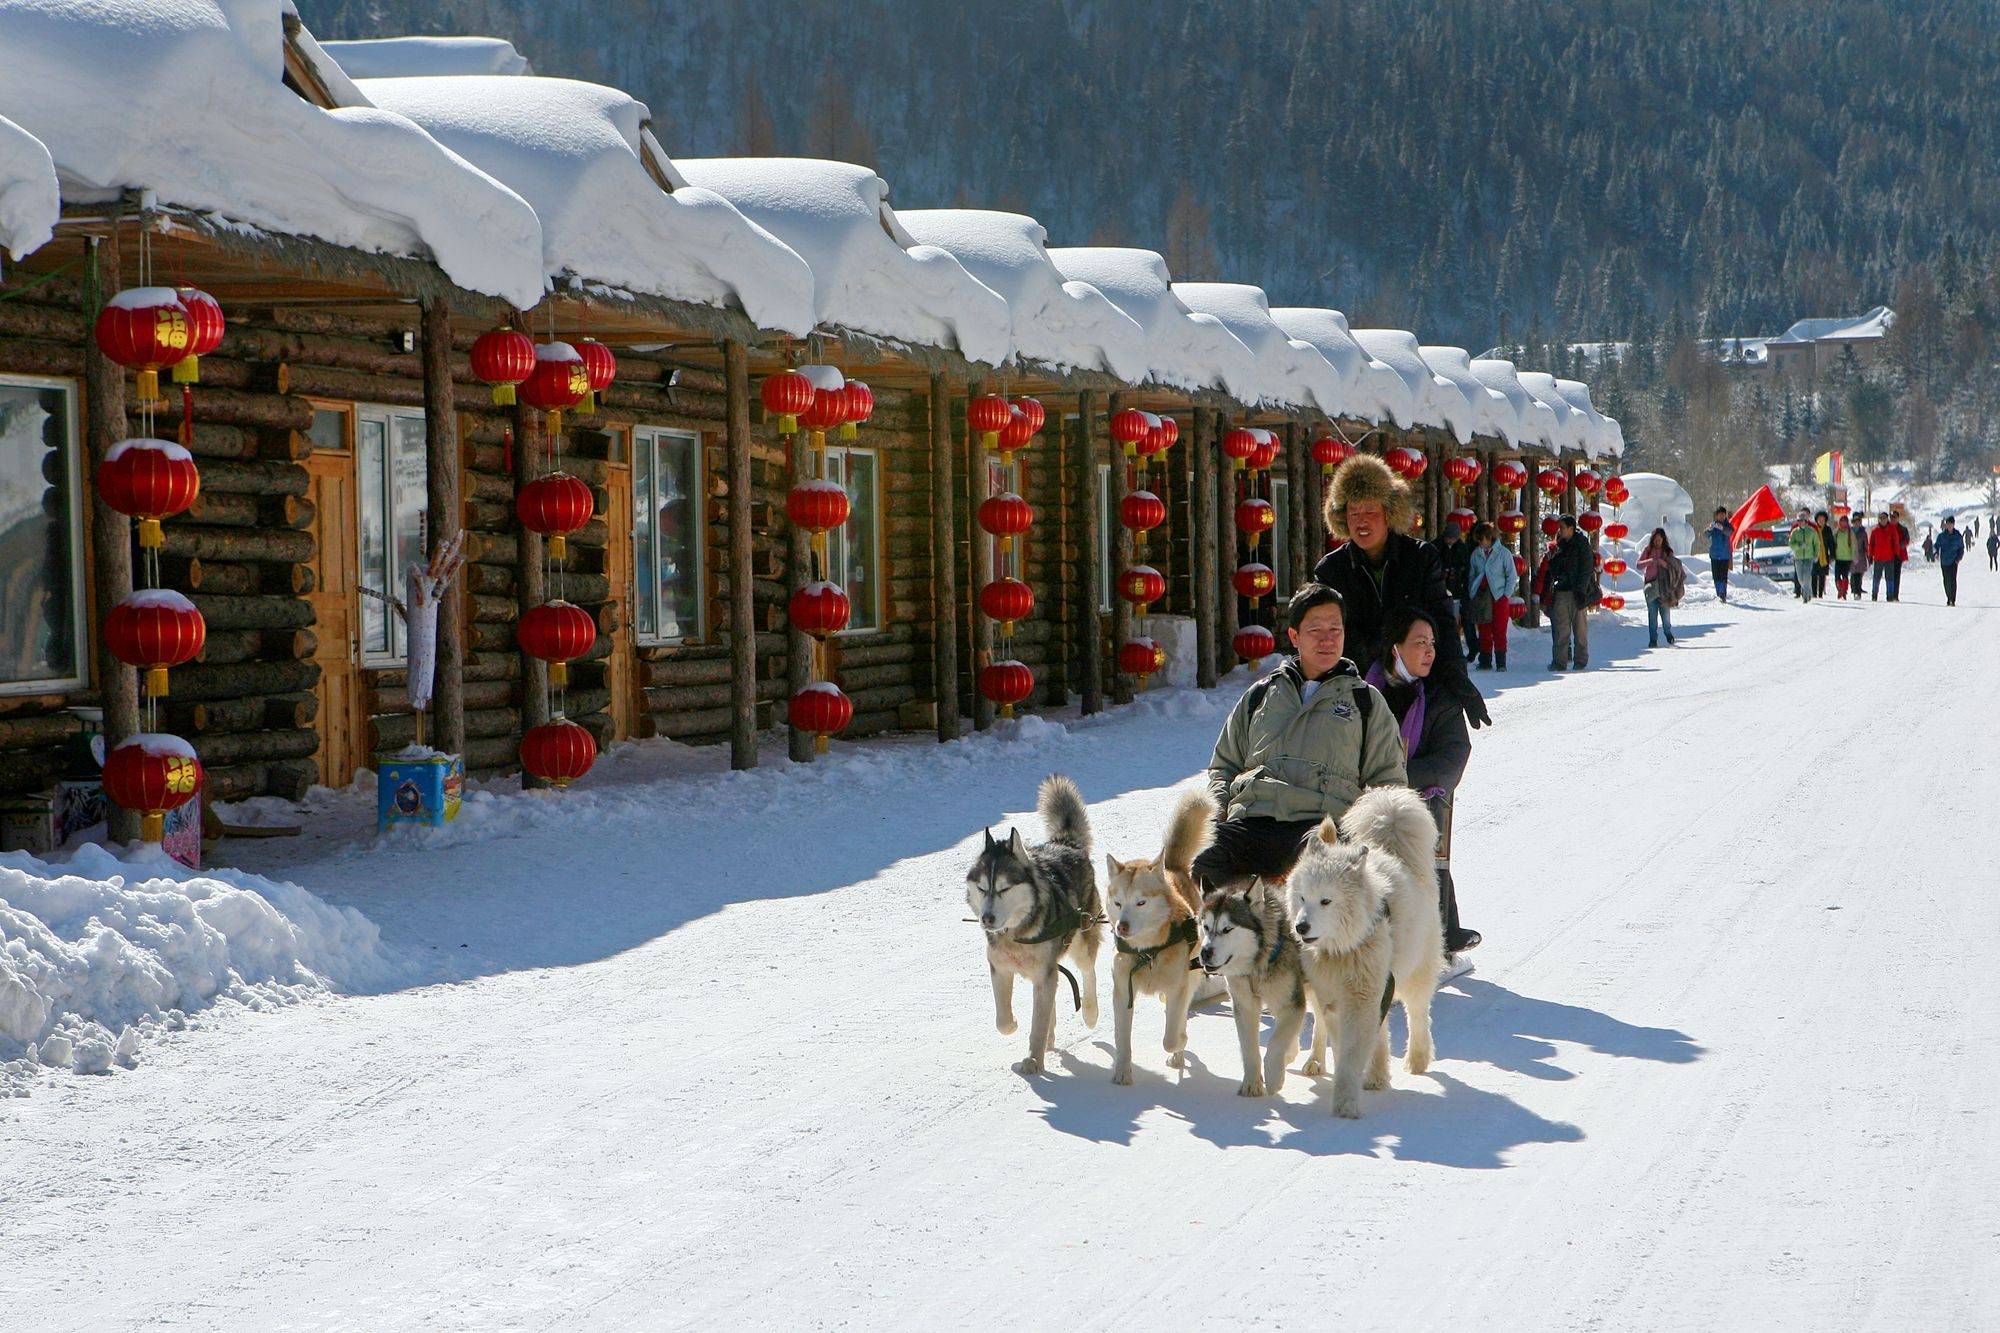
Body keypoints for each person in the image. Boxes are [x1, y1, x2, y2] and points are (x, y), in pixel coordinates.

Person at [1192, 582, 1408, 891]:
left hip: (1320, 824)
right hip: (1253, 818)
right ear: (1294, 636)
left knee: (1317, 875)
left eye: (1335, 629)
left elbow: (1388, 780)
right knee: (1194, 864)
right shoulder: (1261, 695)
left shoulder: (1365, 702)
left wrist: (1366, 831)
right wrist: (1219, 811)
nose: (1327, 640)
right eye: (1316, 631)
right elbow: (1224, 765)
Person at [1311, 454, 1491, 728]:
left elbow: (1441, 622)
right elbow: (1332, 636)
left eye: (1370, 511)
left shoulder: (1421, 558)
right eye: (1353, 512)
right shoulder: (1331, 570)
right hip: (1358, 697)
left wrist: (1457, 679)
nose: (1361, 521)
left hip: (1423, 685)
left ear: (1389, 512)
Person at [1364, 608, 1480, 961]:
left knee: (1417, 827)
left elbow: (1452, 757)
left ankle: (1441, 930)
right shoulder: (1363, 694)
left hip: (1416, 796)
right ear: (1395, 647)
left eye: (1432, 643)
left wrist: (1396, 781)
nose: (1429, 650)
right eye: (1419, 643)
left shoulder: (1440, 699)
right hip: (1361, 794)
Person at [1543, 513, 1597, 670]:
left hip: (1577, 592)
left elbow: (1586, 569)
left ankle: (1580, 660)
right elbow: (1553, 569)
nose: (1560, 530)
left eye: (1562, 527)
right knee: (1561, 629)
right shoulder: (1559, 546)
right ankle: (1559, 661)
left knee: (1579, 629)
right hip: (1561, 591)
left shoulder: (1581, 544)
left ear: (1571, 528)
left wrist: (1581, 590)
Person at [1465, 521, 1519, 671]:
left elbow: (1511, 576)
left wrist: (1505, 595)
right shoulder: (1476, 554)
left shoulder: (1503, 553)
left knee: (1500, 630)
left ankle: (1501, 662)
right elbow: (1472, 575)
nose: (1480, 543)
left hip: (1498, 596)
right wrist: (1472, 590)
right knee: (1484, 629)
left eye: (1481, 539)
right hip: (1482, 596)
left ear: (1488, 538)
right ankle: (1485, 660)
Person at [1437, 518, 1478, 660]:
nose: (1450, 541)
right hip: (1443, 589)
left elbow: (1467, 571)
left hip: (1460, 589)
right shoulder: (1437, 546)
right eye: (1448, 538)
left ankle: (1473, 648)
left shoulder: (1462, 548)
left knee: (1466, 620)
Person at [1638, 527, 1684, 647]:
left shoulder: (1668, 551)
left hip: (1665, 587)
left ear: (1663, 540)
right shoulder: (1647, 550)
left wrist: (1665, 564)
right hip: (1650, 586)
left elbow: (1675, 567)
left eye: (1659, 540)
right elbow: (1638, 565)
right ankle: (1653, 639)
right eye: (1655, 540)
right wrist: (1649, 561)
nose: (1657, 542)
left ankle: (1668, 634)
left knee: (1665, 613)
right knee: (1652, 614)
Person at [1787, 508, 1823, 603]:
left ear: (1806, 521)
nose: (1800, 522)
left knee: (1807, 575)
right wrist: (1798, 546)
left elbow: (1817, 544)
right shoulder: (1795, 532)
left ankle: (1806, 595)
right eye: (1799, 521)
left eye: (1802, 520)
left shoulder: (1812, 531)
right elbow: (1790, 544)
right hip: (1798, 557)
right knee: (1800, 578)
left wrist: (1816, 555)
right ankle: (1807, 588)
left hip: (1809, 557)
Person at [1868, 510, 1902, 601]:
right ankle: (1874, 595)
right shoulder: (1875, 531)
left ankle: (1890, 596)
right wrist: (1870, 555)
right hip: (1878, 558)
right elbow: (1871, 544)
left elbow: (1896, 543)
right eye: (1881, 518)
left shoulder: (1892, 530)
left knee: (1889, 578)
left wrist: (1896, 554)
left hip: (1889, 558)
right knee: (1876, 578)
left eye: (1884, 518)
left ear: (1887, 519)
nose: (1882, 520)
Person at [1705, 506, 1734, 603]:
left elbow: (1730, 532)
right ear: (1716, 516)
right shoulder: (1713, 525)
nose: (1721, 517)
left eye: (1723, 515)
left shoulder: (1727, 525)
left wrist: (1722, 528)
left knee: (1723, 575)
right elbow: (1706, 535)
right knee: (1716, 575)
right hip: (1714, 555)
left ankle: (1723, 593)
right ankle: (1718, 592)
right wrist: (1710, 529)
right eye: (1719, 515)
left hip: (1724, 555)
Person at [1936, 515, 1965, 606]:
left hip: (1953, 561)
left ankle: (1952, 599)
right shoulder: (1941, 536)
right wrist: (1936, 553)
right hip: (1944, 561)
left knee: (1952, 580)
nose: (1949, 526)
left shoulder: (1957, 535)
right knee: (1946, 580)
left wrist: (1958, 558)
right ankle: (1948, 597)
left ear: (1953, 524)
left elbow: (1961, 548)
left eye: (1951, 524)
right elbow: (1936, 545)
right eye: (1948, 524)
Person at [1832, 513, 1857, 599]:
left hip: (1847, 557)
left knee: (1845, 575)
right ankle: (1840, 589)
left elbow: (1854, 544)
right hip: (1838, 557)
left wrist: (1854, 555)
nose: (1843, 523)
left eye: (1845, 521)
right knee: (1837, 576)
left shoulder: (1850, 532)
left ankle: (1844, 591)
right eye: (1841, 521)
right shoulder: (1836, 532)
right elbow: (1833, 544)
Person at [1812, 511, 1834, 599]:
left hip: (1824, 555)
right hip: (1814, 553)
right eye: (1819, 519)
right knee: (1813, 574)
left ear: (1825, 520)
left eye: (1823, 519)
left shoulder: (1828, 529)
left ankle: (1820, 593)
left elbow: (1831, 543)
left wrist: (1832, 554)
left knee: (1822, 575)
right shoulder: (1813, 529)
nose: (1821, 521)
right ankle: (1814, 593)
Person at [1850, 513, 1870, 600]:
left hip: (1860, 555)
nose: (1856, 523)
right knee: (1853, 574)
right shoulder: (1849, 532)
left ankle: (1857, 592)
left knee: (1858, 574)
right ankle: (1854, 590)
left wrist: (1868, 555)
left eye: (1858, 522)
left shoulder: (1863, 533)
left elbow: (1866, 544)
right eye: (1855, 522)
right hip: (1851, 555)